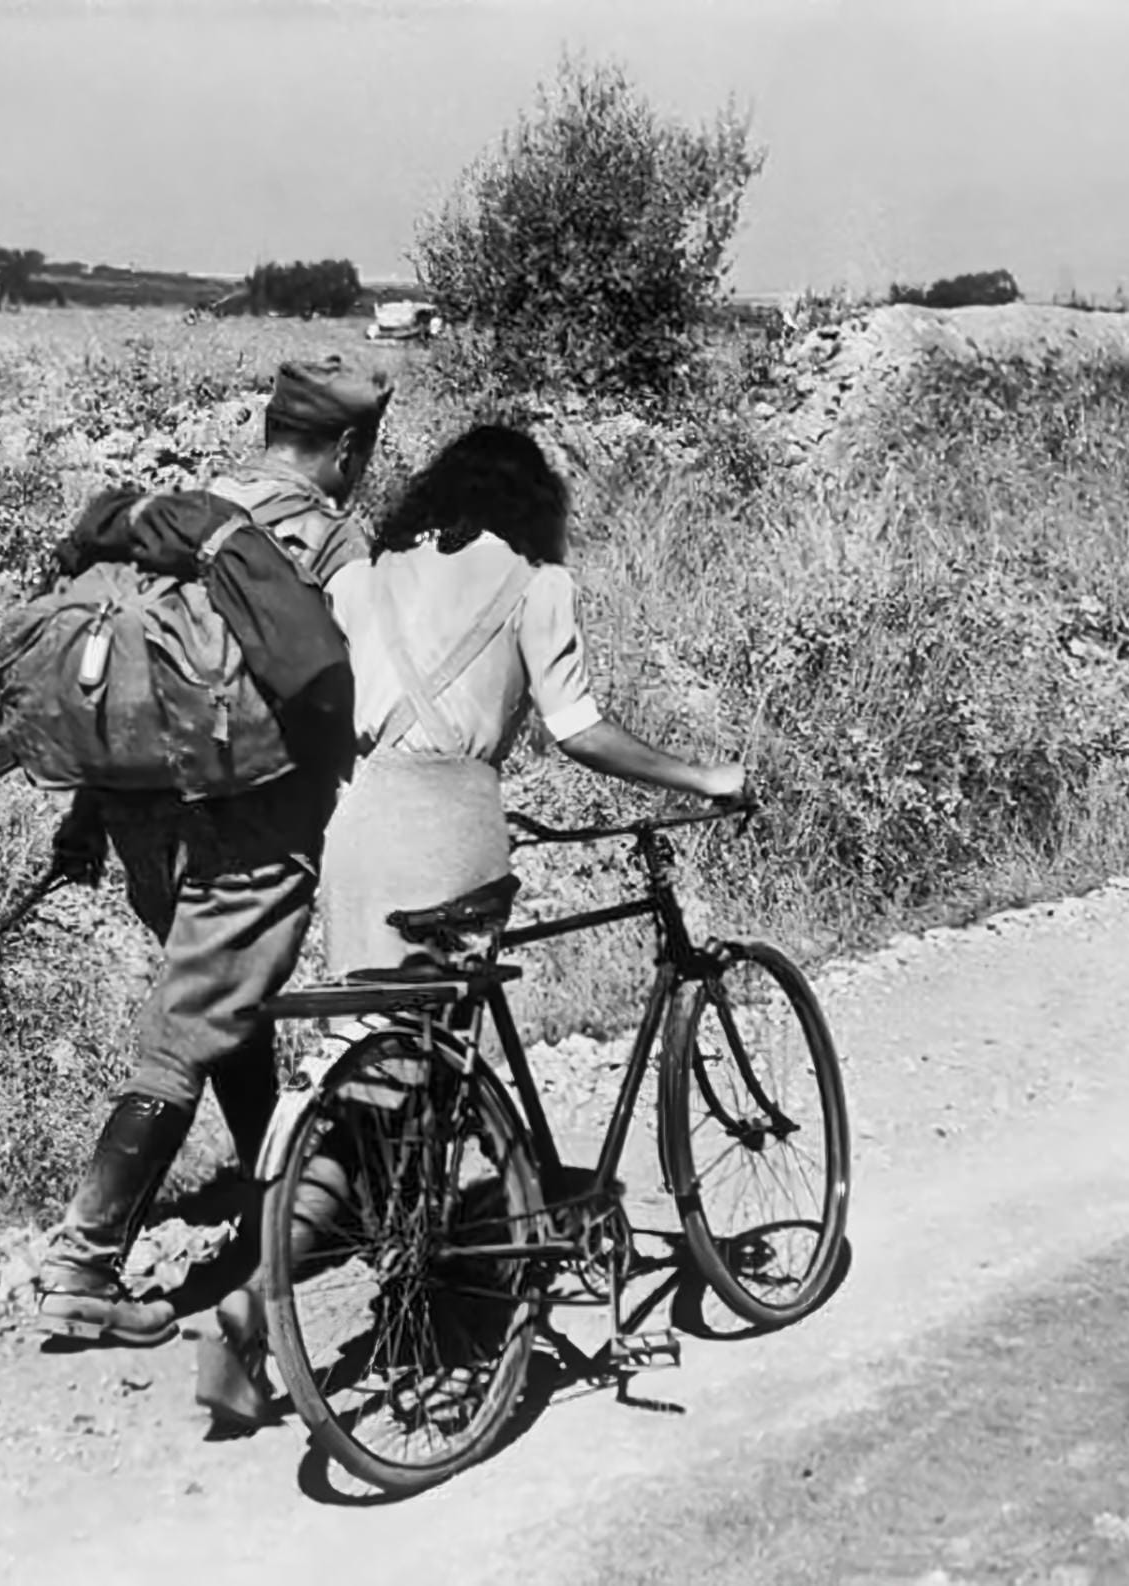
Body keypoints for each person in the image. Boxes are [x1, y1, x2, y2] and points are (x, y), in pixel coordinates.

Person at [192, 422, 744, 1424]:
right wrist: (698, 772)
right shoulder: (537, 583)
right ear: (533, 503)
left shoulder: (367, 573)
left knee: (369, 1075)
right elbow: (580, 728)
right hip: (453, 827)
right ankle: (444, 1315)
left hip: (358, 832)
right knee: (435, 1085)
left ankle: (258, 1301)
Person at [33, 356, 395, 1349]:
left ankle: (268, 1179)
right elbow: (368, 682)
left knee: (224, 996)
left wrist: (88, 815)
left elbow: (131, 680)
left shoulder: (185, 512)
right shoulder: (327, 537)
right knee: (191, 1023)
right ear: (349, 450)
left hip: (145, 817)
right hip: (253, 823)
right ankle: (85, 1260)